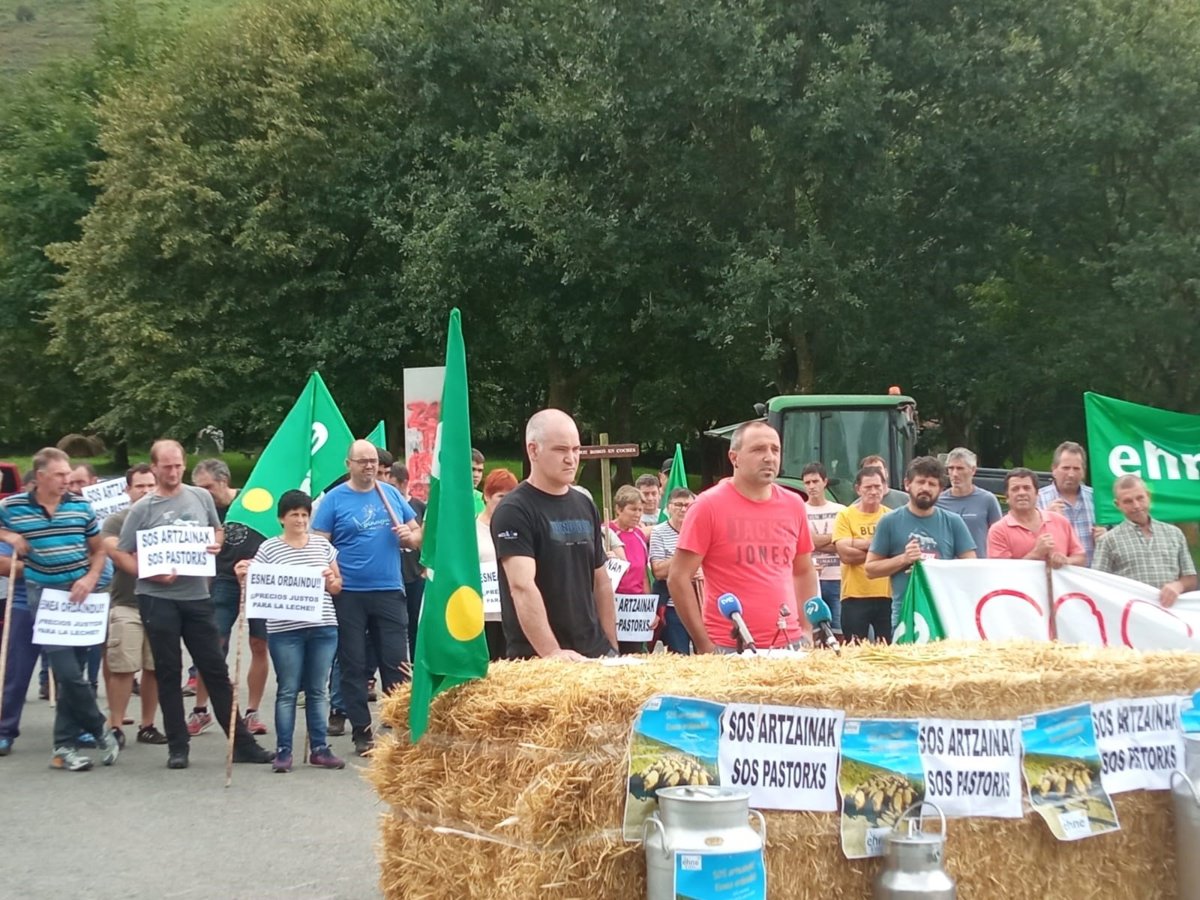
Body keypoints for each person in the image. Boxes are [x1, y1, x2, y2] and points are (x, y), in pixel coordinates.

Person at [113, 440, 273, 769]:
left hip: (197, 596)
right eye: (166, 467)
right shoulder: (143, 508)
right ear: (154, 467)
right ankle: (178, 746)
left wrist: (215, 544)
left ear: (184, 464)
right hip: (157, 598)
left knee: (214, 668)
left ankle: (241, 743)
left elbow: (217, 531)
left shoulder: (200, 497)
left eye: (177, 466)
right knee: (168, 670)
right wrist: (148, 571)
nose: (172, 472)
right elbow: (121, 551)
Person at [0, 448, 119, 771]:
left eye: (68, 474)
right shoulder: (12, 507)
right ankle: (99, 728)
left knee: (74, 671)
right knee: (66, 670)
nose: (67, 480)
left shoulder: (81, 506)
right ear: (40, 477)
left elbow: (99, 550)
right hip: (44, 596)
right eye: (60, 475)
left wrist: (90, 578)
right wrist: (8, 534)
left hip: (80, 594)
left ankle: (63, 747)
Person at [668, 421, 817, 653]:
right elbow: (678, 577)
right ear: (734, 458)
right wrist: (704, 643)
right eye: (758, 449)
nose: (769, 457)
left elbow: (804, 570)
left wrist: (807, 629)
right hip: (728, 645)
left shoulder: (794, 504)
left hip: (790, 641)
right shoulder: (707, 506)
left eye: (775, 449)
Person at [313, 439, 420, 756]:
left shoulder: (390, 495)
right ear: (349, 464)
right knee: (354, 663)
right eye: (362, 461)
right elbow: (320, 544)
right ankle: (361, 730)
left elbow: (418, 533)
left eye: (373, 461)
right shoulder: (334, 500)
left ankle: (399, 726)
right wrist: (329, 575)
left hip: (388, 589)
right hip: (350, 593)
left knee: (396, 662)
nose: (369, 466)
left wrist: (410, 537)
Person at [492, 409, 618, 660]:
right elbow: (521, 585)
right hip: (538, 658)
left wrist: (612, 647)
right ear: (533, 450)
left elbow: (601, 580)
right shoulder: (514, 510)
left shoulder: (584, 504)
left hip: (595, 650)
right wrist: (552, 652)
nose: (571, 459)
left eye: (576, 449)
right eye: (561, 450)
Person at [237, 491, 345, 772]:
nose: (300, 520)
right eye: (294, 514)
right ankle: (284, 750)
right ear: (281, 519)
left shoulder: (322, 546)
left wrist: (331, 580)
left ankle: (319, 748)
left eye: (304, 514)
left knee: (317, 690)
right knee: (287, 689)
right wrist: (244, 574)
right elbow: (256, 583)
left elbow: (337, 586)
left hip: (322, 626)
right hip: (285, 630)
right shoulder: (269, 548)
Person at [189, 458, 268, 737]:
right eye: (198, 488)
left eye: (207, 487)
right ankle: (200, 710)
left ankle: (252, 712)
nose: (203, 493)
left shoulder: (251, 499)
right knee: (212, 643)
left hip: (259, 578)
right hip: (223, 579)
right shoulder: (201, 510)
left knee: (259, 644)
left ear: (223, 481)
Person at [100, 464, 168, 747]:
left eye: (151, 485)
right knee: (123, 667)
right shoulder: (116, 521)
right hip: (127, 602)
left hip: (162, 603)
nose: (146, 491)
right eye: (139, 486)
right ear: (128, 490)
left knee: (155, 668)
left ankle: (148, 725)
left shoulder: (169, 520)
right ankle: (115, 725)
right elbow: (117, 553)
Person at [867, 456, 976, 627]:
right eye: (920, 482)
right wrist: (903, 559)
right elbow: (870, 569)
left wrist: (934, 569)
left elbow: (971, 566)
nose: (925, 488)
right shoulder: (889, 521)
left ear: (940, 490)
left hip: (944, 615)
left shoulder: (953, 522)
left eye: (932, 484)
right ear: (907, 484)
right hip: (905, 616)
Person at [1093, 475, 1196, 607]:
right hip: (1132, 614)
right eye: (1128, 501)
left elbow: (1191, 578)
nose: (1136, 505)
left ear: (1148, 496)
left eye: (1140, 498)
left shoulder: (1174, 533)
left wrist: (1178, 585)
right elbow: (1097, 584)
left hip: (1170, 613)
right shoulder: (1108, 540)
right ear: (1117, 505)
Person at [832, 466, 893, 643]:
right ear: (858, 489)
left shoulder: (891, 517)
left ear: (884, 488)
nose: (873, 491)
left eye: (877, 486)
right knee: (855, 650)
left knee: (888, 650)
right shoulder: (845, 516)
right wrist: (879, 550)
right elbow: (845, 555)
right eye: (868, 487)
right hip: (854, 595)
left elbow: (897, 553)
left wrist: (855, 542)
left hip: (886, 595)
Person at [987, 468, 1084, 566]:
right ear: (1007, 497)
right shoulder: (998, 531)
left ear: (1037, 494)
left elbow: (1081, 558)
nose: (1022, 493)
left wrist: (1066, 561)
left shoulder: (1060, 521)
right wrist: (1036, 554)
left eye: (1027, 488)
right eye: (1015, 489)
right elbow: (1001, 571)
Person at [67, 462, 103, 694]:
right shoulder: (68, 510)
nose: (74, 488)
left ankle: (91, 683)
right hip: (73, 585)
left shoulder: (106, 508)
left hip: (104, 583)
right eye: (71, 483)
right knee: (71, 643)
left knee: (97, 640)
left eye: (80, 482)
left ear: (93, 482)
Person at [1038, 441, 1104, 565]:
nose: (1071, 474)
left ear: (1083, 472)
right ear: (1054, 469)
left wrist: (1106, 536)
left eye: (1076, 468)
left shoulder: (1097, 499)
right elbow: (1028, 541)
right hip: (1056, 573)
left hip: (1091, 573)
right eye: (1066, 468)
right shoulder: (1038, 500)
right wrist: (1046, 519)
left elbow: (1117, 534)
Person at [476, 468, 519, 660]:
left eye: (510, 497)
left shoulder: (518, 528)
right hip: (482, 614)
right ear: (486, 496)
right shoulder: (472, 529)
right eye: (500, 496)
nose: (505, 503)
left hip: (512, 611)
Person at [648, 487, 696, 654]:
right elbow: (658, 571)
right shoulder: (658, 532)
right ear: (668, 508)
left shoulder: (701, 530)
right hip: (672, 606)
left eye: (688, 505)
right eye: (678, 505)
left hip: (700, 603)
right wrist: (686, 557)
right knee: (679, 655)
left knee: (708, 654)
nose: (683, 509)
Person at [801, 463, 846, 634]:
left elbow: (844, 544)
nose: (811, 486)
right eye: (807, 483)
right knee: (813, 632)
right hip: (810, 579)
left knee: (838, 630)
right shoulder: (800, 510)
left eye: (815, 481)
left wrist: (814, 542)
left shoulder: (841, 511)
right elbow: (803, 542)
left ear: (825, 482)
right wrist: (835, 538)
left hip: (837, 577)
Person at [0, 541, 35, 755]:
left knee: (71, 672)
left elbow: (94, 556)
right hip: (24, 603)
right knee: (16, 672)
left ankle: (78, 728)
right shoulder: (14, 523)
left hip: (65, 603)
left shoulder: (76, 519)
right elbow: (3, 564)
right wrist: (46, 567)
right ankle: (5, 730)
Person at [936, 447, 1002, 558]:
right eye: (951, 468)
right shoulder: (938, 501)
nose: (955, 474)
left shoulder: (987, 499)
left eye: (960, 468)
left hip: (977, 563)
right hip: (947, 564)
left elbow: (999, 535)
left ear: (973, 470)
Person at [392, 463, 427, 661]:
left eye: (393, 485)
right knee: (394, 625)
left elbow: (426, 537)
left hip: (415, 575)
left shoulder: (418, 506)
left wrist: (425, 567)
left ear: (404, 483)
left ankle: (415, 663)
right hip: (393, 576)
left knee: (415, 622)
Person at [471, 448, 486, 515]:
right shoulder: (449, 498)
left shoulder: (484, 499)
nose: (476, 475)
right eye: (472, 469)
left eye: (480, 471)